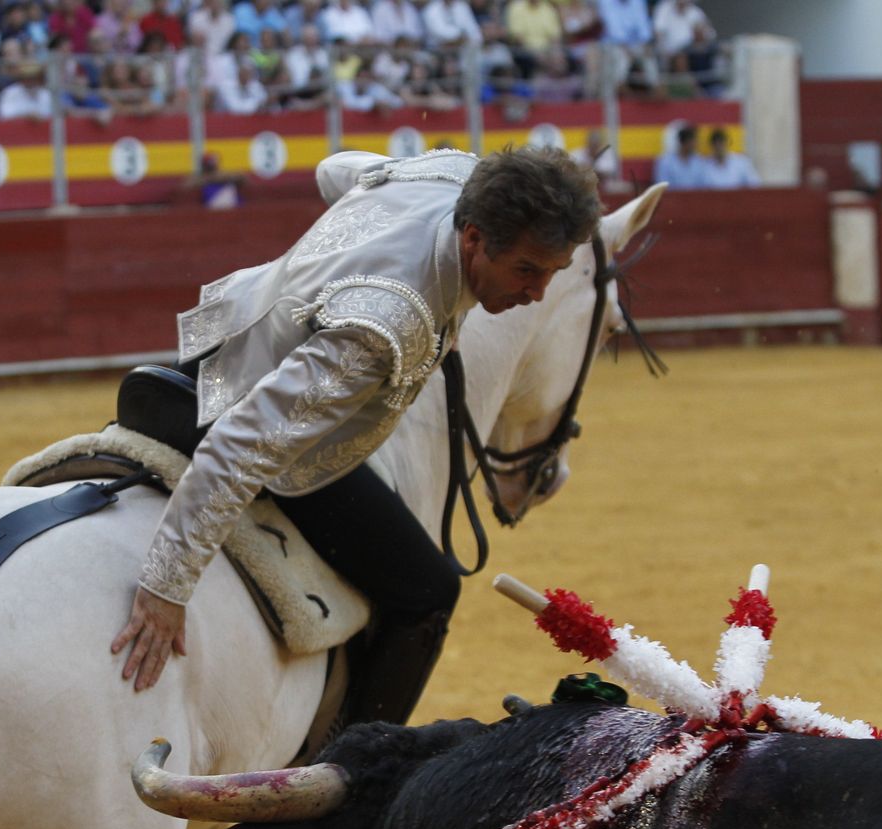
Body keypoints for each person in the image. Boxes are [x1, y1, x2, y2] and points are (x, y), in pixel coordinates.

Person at [111, 146, 601, 733]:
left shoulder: (448, 173)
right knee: (428, 591)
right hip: (238, 422)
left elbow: (334, 170)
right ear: (473, 237)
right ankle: (348, 795)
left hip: (211, 350)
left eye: (553, 271)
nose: (539, 293)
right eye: (526, 269)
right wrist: (165, 588)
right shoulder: (390, 322)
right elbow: (241, 445)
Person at [653, 122, 703, 187]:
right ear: (685, 142)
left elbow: (703, 185)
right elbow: (662, 186)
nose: (696, 144)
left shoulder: (698, 161)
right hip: (672, 197)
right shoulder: (665, 162)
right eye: (693, 141)